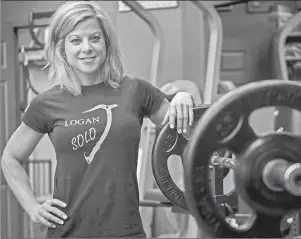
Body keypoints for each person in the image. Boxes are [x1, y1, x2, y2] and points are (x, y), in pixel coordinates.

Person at [1, 1, 195, 238]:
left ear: (106, 43)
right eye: (75, 40)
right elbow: (10, 158)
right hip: (68, 231)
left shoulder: (135, 91)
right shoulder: (46, 103)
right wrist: (33, 207)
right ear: (62, 48)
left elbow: (185, 128)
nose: (87, 48)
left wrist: (184, 97)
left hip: (125, 231)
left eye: (94, 38)